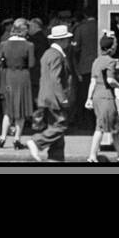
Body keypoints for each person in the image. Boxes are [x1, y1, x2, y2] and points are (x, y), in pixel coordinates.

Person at [28, 23, 78, 162]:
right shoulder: (57, 55)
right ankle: (37, 142)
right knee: (61, 125)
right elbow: (55, 79)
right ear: (61, 40)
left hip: (45, 96)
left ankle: (55, 159)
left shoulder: (47, 53)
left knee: (55, 131)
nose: (68, 42)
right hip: (54, 98)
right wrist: (63, 99)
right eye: (67, 39)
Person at [87, 33, 119, 163]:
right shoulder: (111, 61)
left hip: (97, 97)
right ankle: (92, 156)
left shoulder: (96, 61)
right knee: (101, 127)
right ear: (111, 48)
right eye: (115, 45)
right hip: (107, 97)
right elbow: (110, 80)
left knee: (114, 126)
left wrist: (89, 98)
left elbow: (93, 81)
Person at [0, 18, 36, 150]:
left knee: (8, 109)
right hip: (22, 77)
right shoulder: (29, 45)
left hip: (8, 77)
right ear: (24, 30)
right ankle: (17, 140)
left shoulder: (4, 44)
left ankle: (2, 138)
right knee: (21, 110)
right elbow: (31, 64)